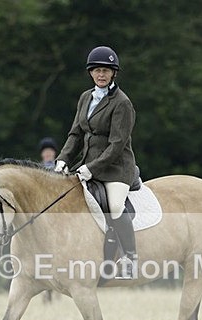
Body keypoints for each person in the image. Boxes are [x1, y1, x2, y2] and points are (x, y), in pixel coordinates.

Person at [54, 45, 138, 279]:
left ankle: (131, 258)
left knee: (115, 207)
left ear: (114, 73)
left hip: (116, 169)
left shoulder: (122, 103)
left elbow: (117, 145)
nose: (101, 75)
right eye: (97, 70)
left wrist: (91, 168)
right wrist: (62, 159)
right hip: (86, 165)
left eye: (106, 71)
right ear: (91, 72)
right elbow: (75, 134)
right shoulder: (85, 97)